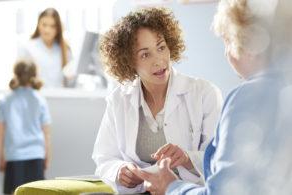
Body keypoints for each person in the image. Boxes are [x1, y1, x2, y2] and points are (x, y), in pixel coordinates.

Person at [132, 0, 292, 194]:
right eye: (144, 54)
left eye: (228, 41)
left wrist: (171, 187)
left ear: (250, 41)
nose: (227, 54)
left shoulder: (247, 97)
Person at [92, 8, 223, 194]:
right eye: (145, 54)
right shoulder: (119, 100)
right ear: (129, 62)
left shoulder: (204, 93)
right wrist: (119, 171)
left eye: (161, 48)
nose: (159, 60)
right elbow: (104, 157)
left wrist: (187, 158)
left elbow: (219, 159)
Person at [0, 60, 52, 195]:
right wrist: (47, 156)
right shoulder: (40, 100)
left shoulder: (6, 101)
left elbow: (0, 134)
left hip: (14, 158)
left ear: (16, 74)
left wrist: (1, 157)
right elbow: (47, 134)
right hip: (36, 156)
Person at [18, 8, 71, 88]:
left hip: (59, 97)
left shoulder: (65, 50)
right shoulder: (28, 48)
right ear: (38, 25)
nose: (47, 30)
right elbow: (21, 79)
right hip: (36, 97)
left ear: (58, 29)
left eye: (52, 26)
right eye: (44, 25)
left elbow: (70, 81)